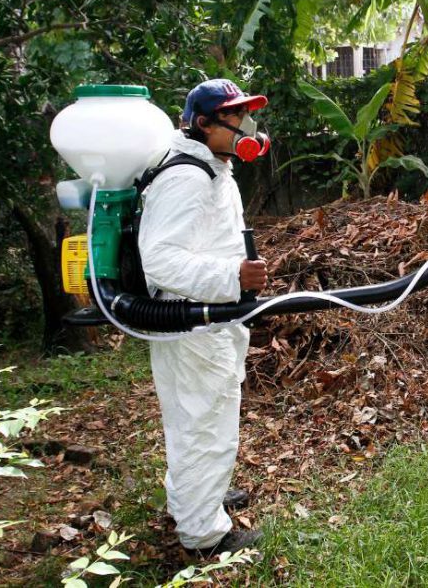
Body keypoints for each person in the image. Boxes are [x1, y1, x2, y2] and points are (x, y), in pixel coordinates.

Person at [138, 79, 270, 555]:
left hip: (207, 319)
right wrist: (232, 273)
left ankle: (197, 498)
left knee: (195, 417)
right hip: (193, 322)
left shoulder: (211, 166)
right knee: (206, 421)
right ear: (203, 124)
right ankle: (204, 535)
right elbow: (161, 259)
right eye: (235, 118)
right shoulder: (187, 178)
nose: (245, 127)